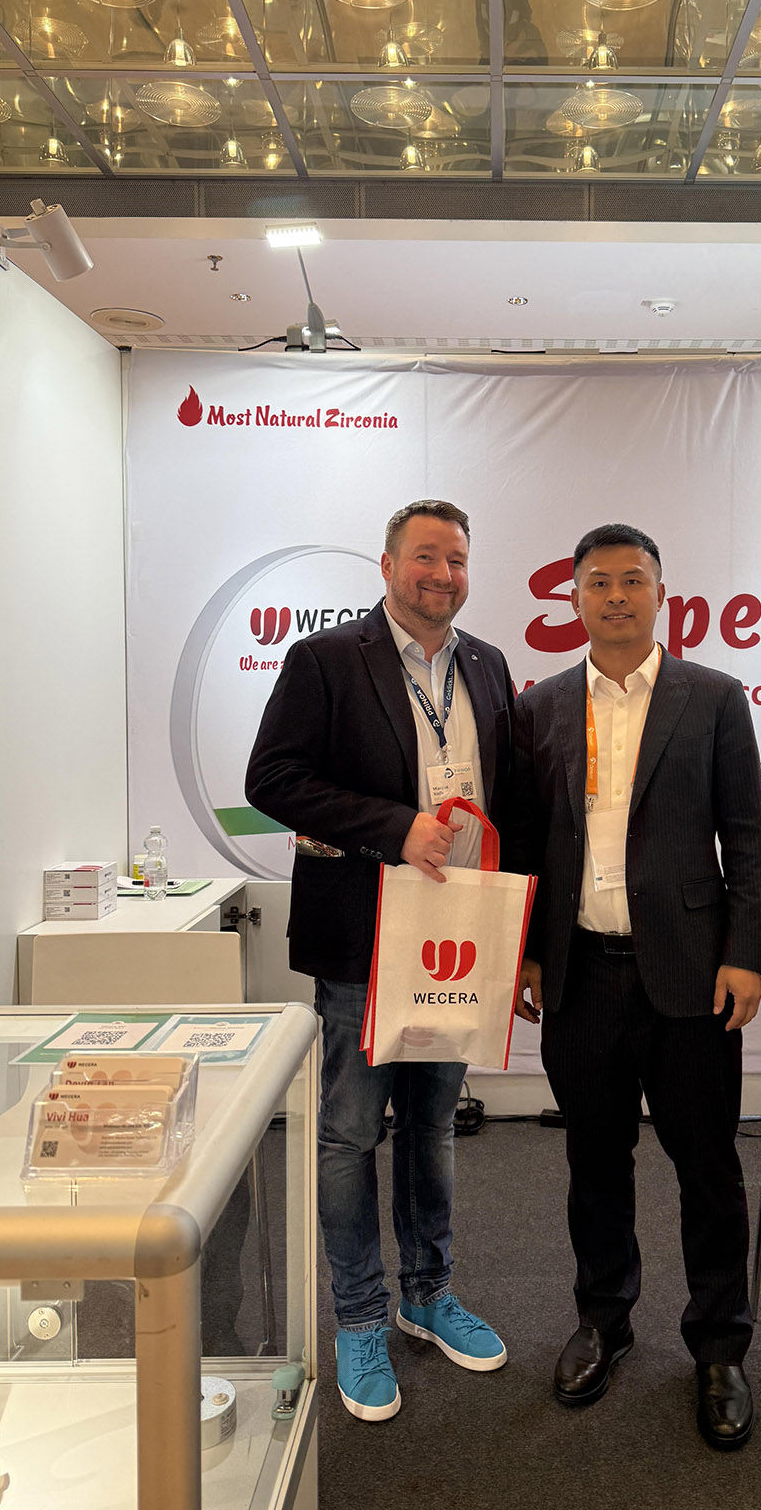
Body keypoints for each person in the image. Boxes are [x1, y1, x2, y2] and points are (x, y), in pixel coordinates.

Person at [245, 500, 512, 1423]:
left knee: (433, 1126)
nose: (444, 574)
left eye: (458, 559)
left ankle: (427, 1294)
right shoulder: (325, 659)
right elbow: (272, 779)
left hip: (455, 941)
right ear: (389, 565)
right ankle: (358, 1317)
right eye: (426, 556)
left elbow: (504, 796)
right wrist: (395, 827)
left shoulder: (488, 665)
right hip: (363, 936)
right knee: (351, 1132)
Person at [510, 523, 761, 1450]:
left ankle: (720, 1346)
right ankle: (603, 1321)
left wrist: (747, 952)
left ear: (662, 593)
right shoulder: (539, 706)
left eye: (632, 580)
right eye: (598, 582)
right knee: (594, 1161)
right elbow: (525, 840)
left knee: (708, 1167)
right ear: (574, 598)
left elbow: (746, 834)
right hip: (579, 971)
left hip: (693, 973)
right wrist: (525, 952)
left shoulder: (714, 697)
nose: (615, 596)